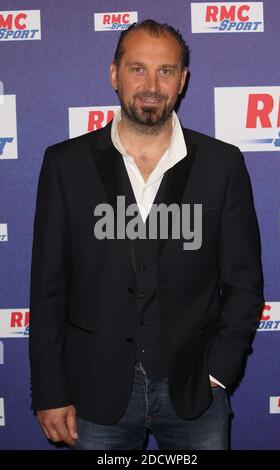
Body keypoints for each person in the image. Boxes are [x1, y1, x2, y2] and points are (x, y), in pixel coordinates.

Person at [29, 19, 264, 450]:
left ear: (182, 80)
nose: (152, 85)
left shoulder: (222, 165)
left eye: (166, 71)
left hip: (195, 392)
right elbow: (48, 290)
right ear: (114, 74)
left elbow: (244, 283)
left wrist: (219, 371)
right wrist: (49, 389)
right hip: (94, 392)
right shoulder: (66, 165)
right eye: (138, 69)